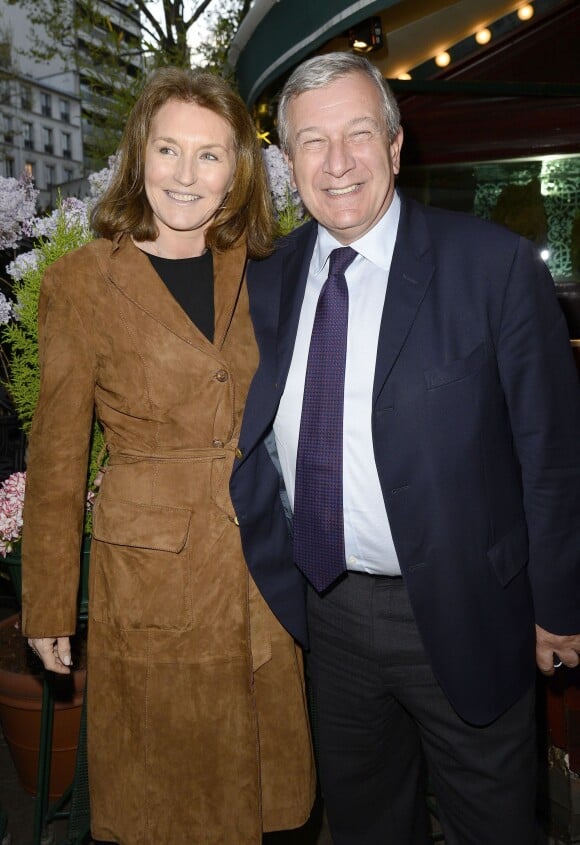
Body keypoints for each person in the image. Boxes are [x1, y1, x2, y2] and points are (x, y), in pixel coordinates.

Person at [230, 51, 580, 845]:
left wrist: (561, 605)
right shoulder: (268, 281)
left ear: (394, 145)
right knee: (365, 826)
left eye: (359, 133)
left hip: (466, 609)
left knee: (492, 826)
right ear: (289, 163)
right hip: (325, 616)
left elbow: (554, 456)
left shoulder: (491, 267)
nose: (339, 160)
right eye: (314, 142)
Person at [21, 67, 315, 845]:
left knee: (271, 797)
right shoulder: (80, 284)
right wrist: (49, 601)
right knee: (166, 797)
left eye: (210, 155)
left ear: (236, 173)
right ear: (138, 156)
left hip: (259, 560)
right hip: (152, 573)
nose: (186, 176)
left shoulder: (266, 269)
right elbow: (55, 454)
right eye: (169, 150)